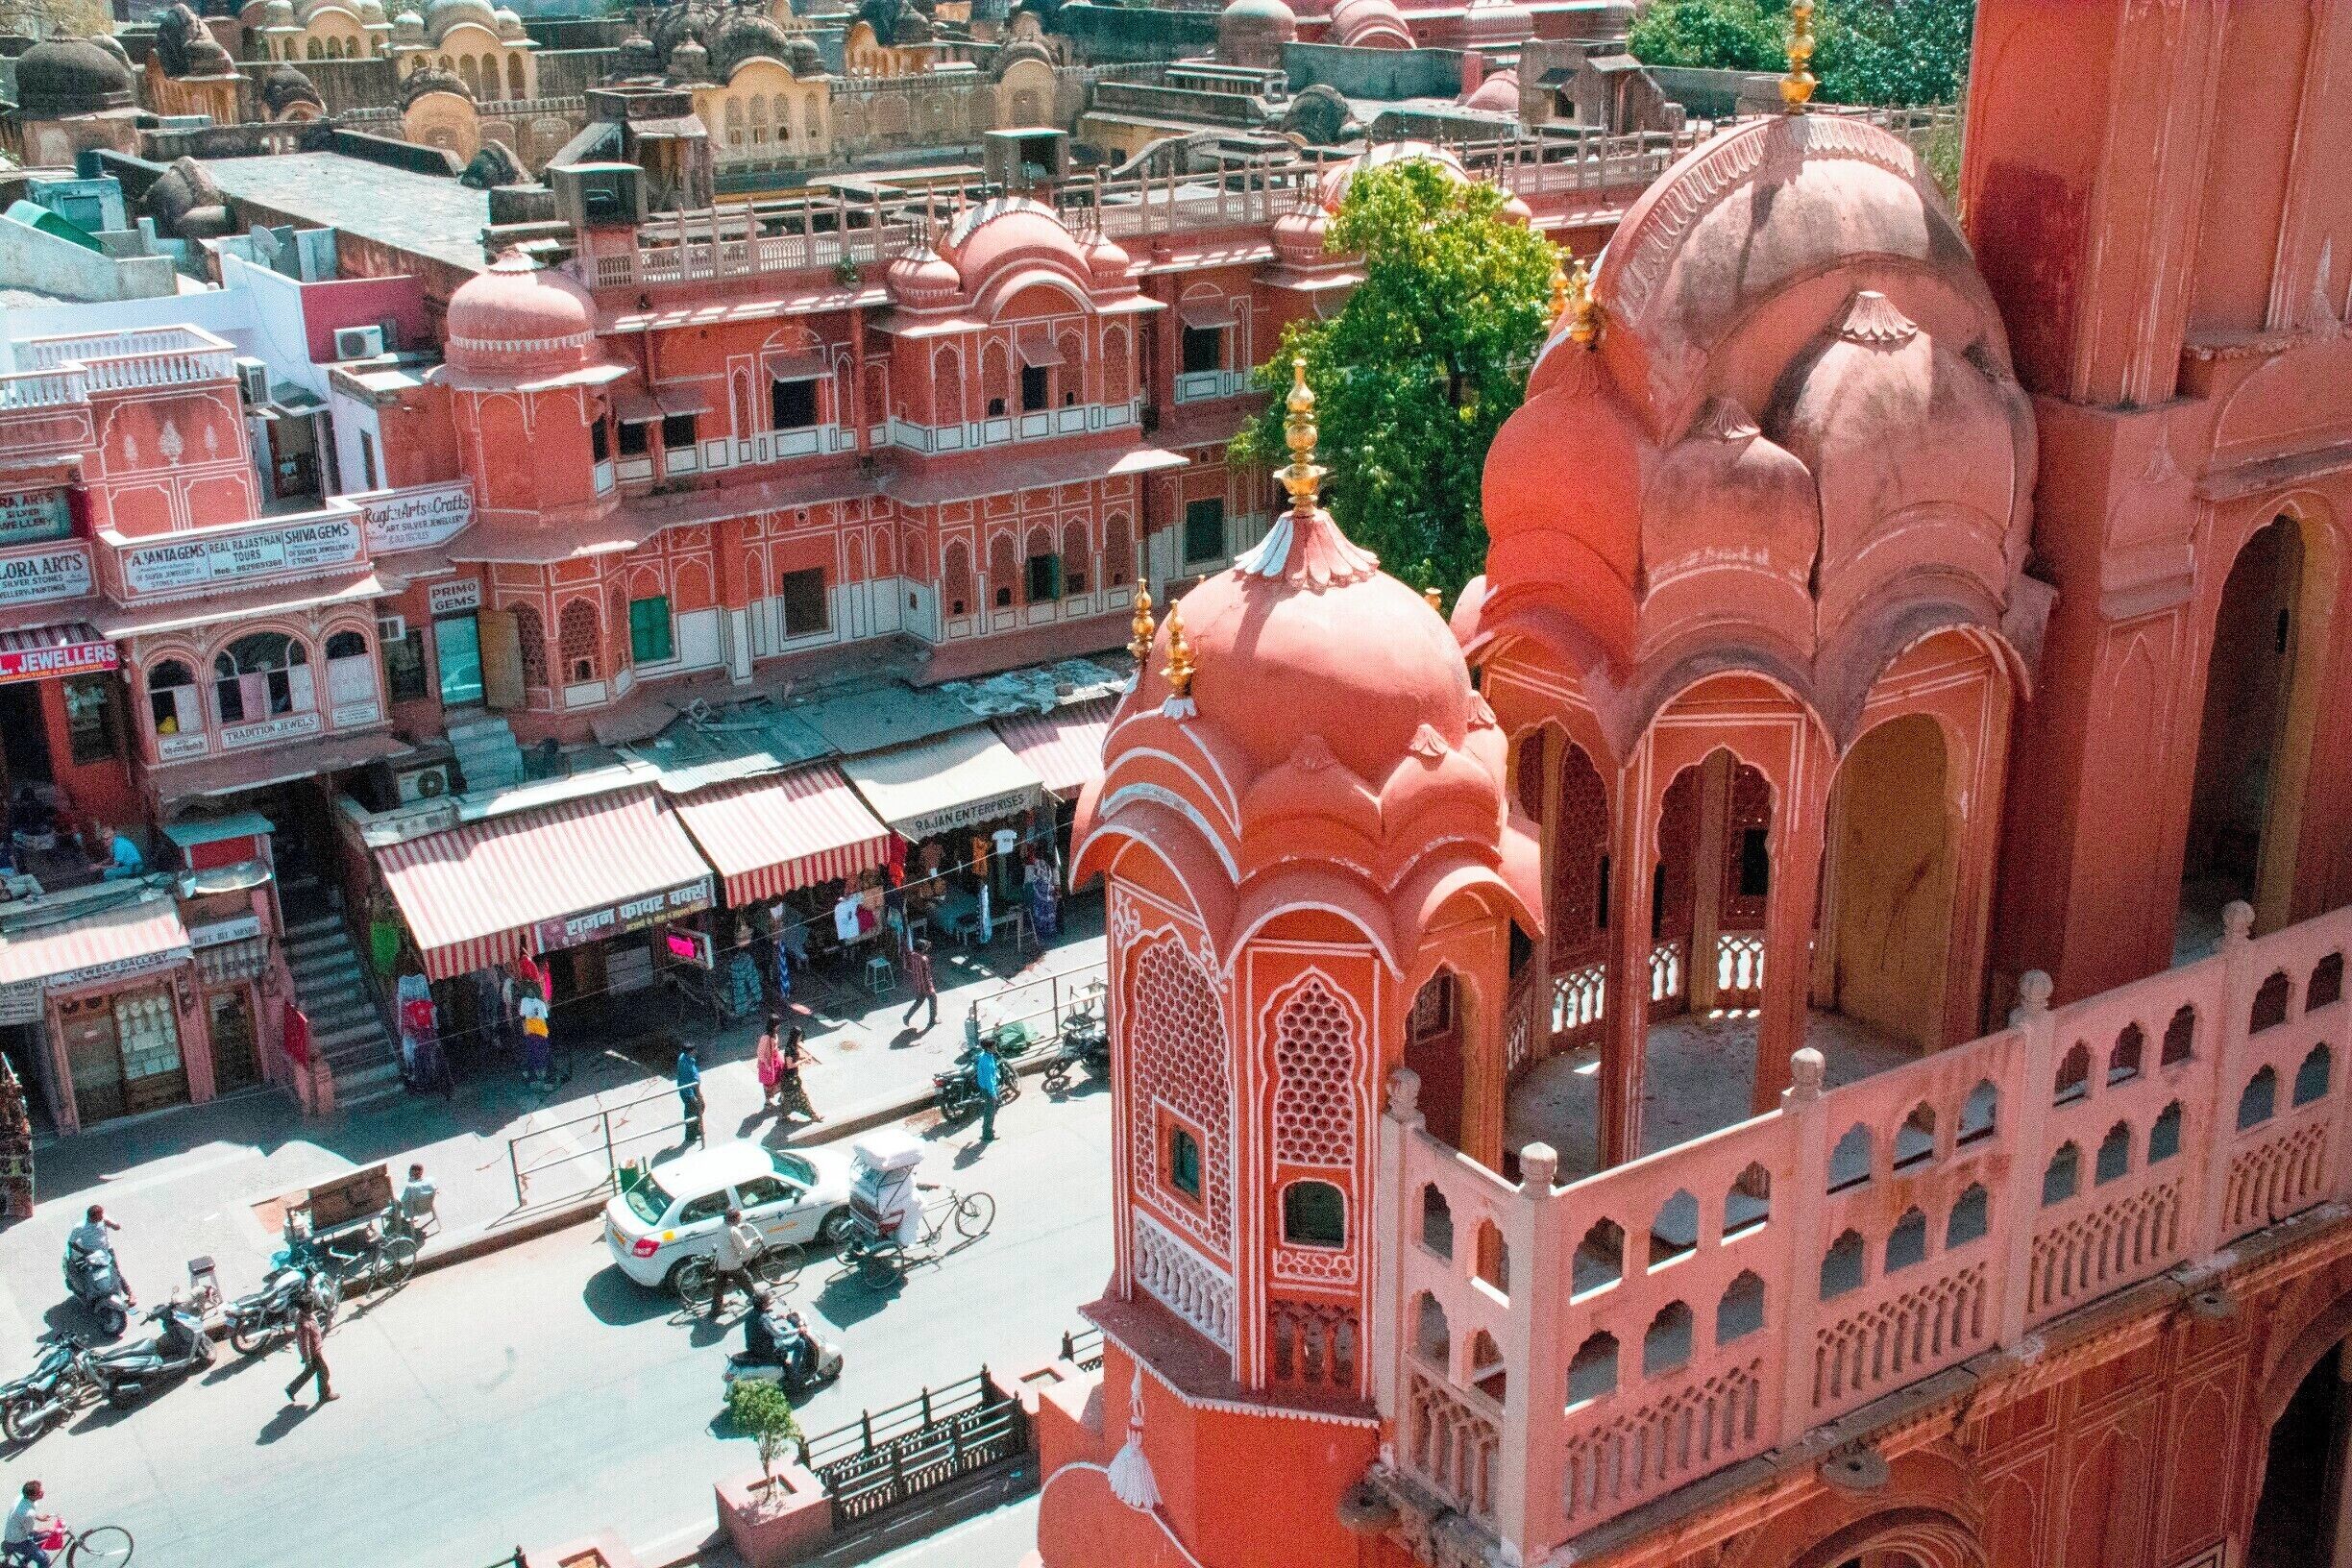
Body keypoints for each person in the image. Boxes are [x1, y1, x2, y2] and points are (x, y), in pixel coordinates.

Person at [65, 1205, 131, 1306]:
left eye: (102, 1215)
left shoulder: (103, 1219)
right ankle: (91, 1294)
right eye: (99, 1216)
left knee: (115, 1272)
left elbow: (117, 1227)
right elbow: (71, 1243)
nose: (102, 1217)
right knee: (90, 1274)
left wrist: (111, 1224)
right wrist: (85, 1252)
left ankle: (130, 1293)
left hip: (106, 1251)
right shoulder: (80, 1227)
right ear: (92, 1217)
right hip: (91, 1255)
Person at [706, 1206, 760, 1318]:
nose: (741, 1218)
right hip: (732, 1264)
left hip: (721, 1262)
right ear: (734, 1219)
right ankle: (759, 1305)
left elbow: (729, 1233)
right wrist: (753, 1240)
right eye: (739, 1217)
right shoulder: (734, 1231)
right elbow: (744, 1248)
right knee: (747, 1282)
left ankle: (716, 1310)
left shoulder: (722, 1226)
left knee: (719, 1288)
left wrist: (739, 1226)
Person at [282, 1296, 334, 1407]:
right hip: (314, 1353)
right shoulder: (304, 1324)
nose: (313, 1306)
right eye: (311, 1305)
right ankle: (324, 1395)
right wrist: (307, 1359)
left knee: (310, 1371)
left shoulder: (308, 1315)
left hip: (315, 1349)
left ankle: (292, 1388)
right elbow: (304, 1344)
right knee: (324, 1372)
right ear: (306, 1308)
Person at [4, 1481, 58, 1567]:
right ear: (32, 1496)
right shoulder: (28, 1513)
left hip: (12, 1534)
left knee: (48, 1536)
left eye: (41, 1489)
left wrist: (40, 1517)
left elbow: (27, 1511)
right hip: (18, 1542)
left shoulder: (22, 1498)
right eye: (39, 1492)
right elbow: (32, 1532)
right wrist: (49, 1528)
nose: (43, 1492)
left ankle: (24, 1561)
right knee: (44, 1559)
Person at [777, 1026, 818, 1122]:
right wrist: (803, 1060)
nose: (801, 1038)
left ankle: (783, 1116)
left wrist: (803, 1058)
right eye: (800, 1036)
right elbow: (790, 1065)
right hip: (790, 1078)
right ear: (797, 1036)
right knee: (802, 1097)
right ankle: (814, 1116)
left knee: (788, 1099)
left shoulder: (792, 1046)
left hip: (790, 1078)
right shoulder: (790, 1049)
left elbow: (793, 1059)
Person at [902, 940, 938, 1031]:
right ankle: (932, 1020)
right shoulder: (924, 959)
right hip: (925, 984)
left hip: (918, 982)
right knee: (933, 1000)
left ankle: (907, 1016)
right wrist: (930, 986)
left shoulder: (913, 955)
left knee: (919, 1001)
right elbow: (927, 974)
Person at [397, 1163, 437, 1236]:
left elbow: (403, 1200)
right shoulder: (430, 1181)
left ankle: (397, 1224)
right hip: (429, 1207)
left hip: (414, 1211)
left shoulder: (410, 1188)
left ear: (412, 1173)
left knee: (395, 1202)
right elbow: (435, 1189)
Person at [675, 1042, 704, 1145]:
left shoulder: (686, 1058)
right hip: (689, 1092)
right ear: (690, 1051)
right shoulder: (684, 1064)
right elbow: (685, 1082)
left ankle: (696, 1128)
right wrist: (692, 1097)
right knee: (692, 1111)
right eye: (694, 1050)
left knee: (701, 1107)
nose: (696, 1052)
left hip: (694, 1089)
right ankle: (691, 1136)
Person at [973, 1039, 1001, 1144]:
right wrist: (993, 1094)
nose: (995, 1048)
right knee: (990, 1112)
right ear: (989, 1048)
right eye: (994, 1046)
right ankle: (987, 1135)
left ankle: (988, 1128)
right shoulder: (987, 1062)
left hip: (990, 1087)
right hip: (989, 1090)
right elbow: (989, 1080)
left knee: (992, 1109)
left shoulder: (986, 1056)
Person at [754, 1017, 784, 1113]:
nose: (779, 1026)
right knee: (768, 1082)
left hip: (776, 1060)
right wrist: (766, 1064)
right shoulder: (765, 1037)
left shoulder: (774, 1034)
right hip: (769, 1062)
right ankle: (768, 1101)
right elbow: (760, 1052)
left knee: (780, 1078)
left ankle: (781, 1096)